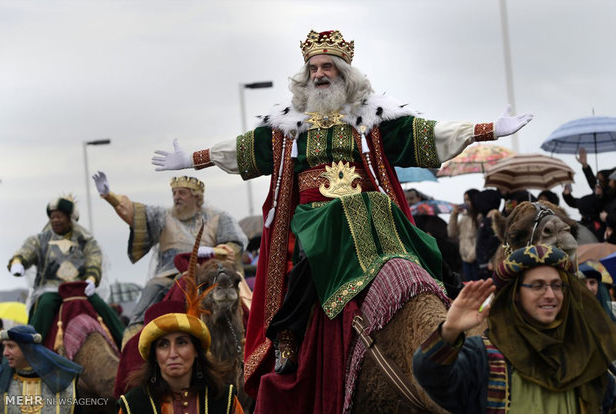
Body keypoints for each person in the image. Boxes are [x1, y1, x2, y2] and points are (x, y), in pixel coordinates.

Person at [151, 29, 532, 409]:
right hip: (311, 223)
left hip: (368, 217)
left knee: (374, 213)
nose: (319, 74)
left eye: (327, 67)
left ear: (344, 73)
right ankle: (288, 340)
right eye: (313, 68)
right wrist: (192, 159)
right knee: (312, 254)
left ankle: (444, 293)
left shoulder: (372, 119)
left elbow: (426, 135)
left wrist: (485, 130)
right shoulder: (287, 129)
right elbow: (240, 151)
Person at [413, 244, 616, 413]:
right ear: (516, 294)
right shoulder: (483, 356)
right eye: (537, 285)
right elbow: (431, 376)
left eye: (556, 285)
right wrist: (449, 330)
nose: (550, 295)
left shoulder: (584, 355)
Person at [92, 172, 248, 332]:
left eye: (182, 193)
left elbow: (234, 244)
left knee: (241, 300)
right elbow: (136, 213)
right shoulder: (162, 216)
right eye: (174, 193)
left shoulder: (218, 217)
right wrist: (109, 196)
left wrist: (215, 251)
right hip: (168, 275)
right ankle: (135, 335)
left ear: (196, 196)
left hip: (209, 273)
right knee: (149, 291)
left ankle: (252, 335)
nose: (176, 197)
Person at [6, 195, 123, 347]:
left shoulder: (85, 240)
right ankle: (31, 348)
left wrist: (91, 279)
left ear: (70, 218)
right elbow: (28, 250)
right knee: (46, 304)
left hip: (79, 288)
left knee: (102, 306)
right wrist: (19, 261)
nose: (55, 220)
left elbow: (94, 257)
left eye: (59, 216)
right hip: (51, 289)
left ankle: (126, 343)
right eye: (52, 217)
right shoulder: (41, 239)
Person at [117, 299, 244, 413]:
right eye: (163, 345)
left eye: (181, 342)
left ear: (196, 351)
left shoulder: (225, 400)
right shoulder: (134, 406)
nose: (173, 354)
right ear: (154, 355)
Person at [0, 325, 83, 413]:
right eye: (4, 346)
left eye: (10, 346)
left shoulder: (63, 381)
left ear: (28, 349)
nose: (5, 353)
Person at [447, 189, 480, 281]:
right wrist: (454, 214)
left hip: (476, 259)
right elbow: (452, 233)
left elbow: (479, 240)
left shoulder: (479, 217)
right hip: (465, 259)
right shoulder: (464, 218)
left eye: (468, 200)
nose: (466, 203)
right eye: (464, 200)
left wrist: (472, 255)